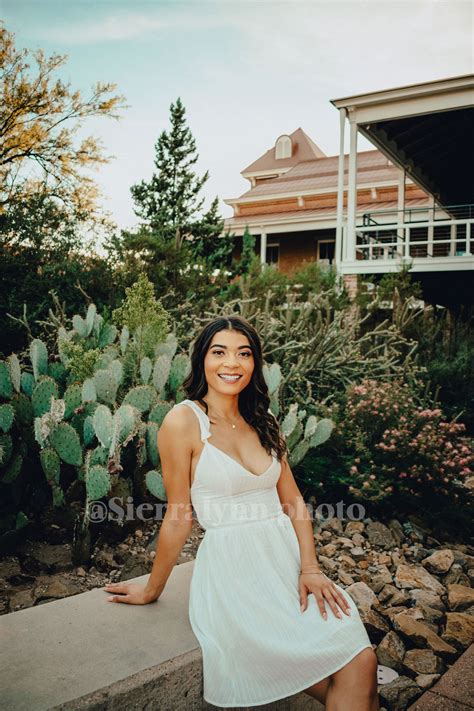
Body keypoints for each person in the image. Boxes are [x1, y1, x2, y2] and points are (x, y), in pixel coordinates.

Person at [103, 315, 380, 709]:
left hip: (284, 562)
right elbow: (179, 516)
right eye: (219, 352)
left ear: (255, 363)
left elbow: (293, 502)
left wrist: (310, 567)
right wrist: (152, 588)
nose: (231, 363)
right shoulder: (183, 422)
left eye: (243, 354)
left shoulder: (263, 421)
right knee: (355, 672)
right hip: (235, 575)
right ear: (201, 360)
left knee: (362, 662)